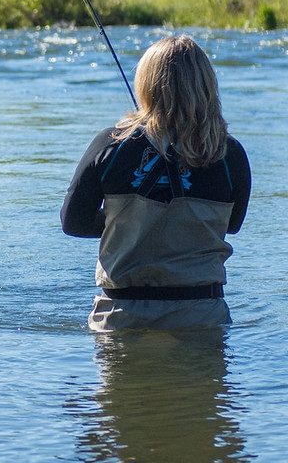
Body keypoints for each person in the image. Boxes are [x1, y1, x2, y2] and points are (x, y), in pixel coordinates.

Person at [61, 35, 251, 331]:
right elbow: (231, 224)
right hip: (201, 316)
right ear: (207, 85)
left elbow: (73, 222)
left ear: (146, 84)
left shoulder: (110, 145)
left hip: (121, 315)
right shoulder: (230, 154)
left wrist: (129, 222)